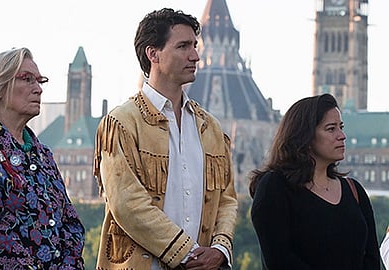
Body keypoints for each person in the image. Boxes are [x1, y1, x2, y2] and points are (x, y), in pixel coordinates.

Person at [92, 7, 238, 270]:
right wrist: (190, 254)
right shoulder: (121, 123)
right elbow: (127, 205)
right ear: (153, 53)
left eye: (195, 45)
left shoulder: (211, 128)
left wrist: (219, 248)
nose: (195, 55)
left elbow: (226, 199)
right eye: (183, 46)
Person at [0, 47, 85, 269]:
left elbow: (71, 224)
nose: (38, 89)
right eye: (27, 79)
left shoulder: (43, 155)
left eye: (41, 81)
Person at [249, 93, 380, 270]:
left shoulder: (354, 190)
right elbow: (279, 260)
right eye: (331, 129)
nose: (342, 136)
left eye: (341, 127)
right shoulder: (274, 187)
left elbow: (372, 258)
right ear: (306, 136)